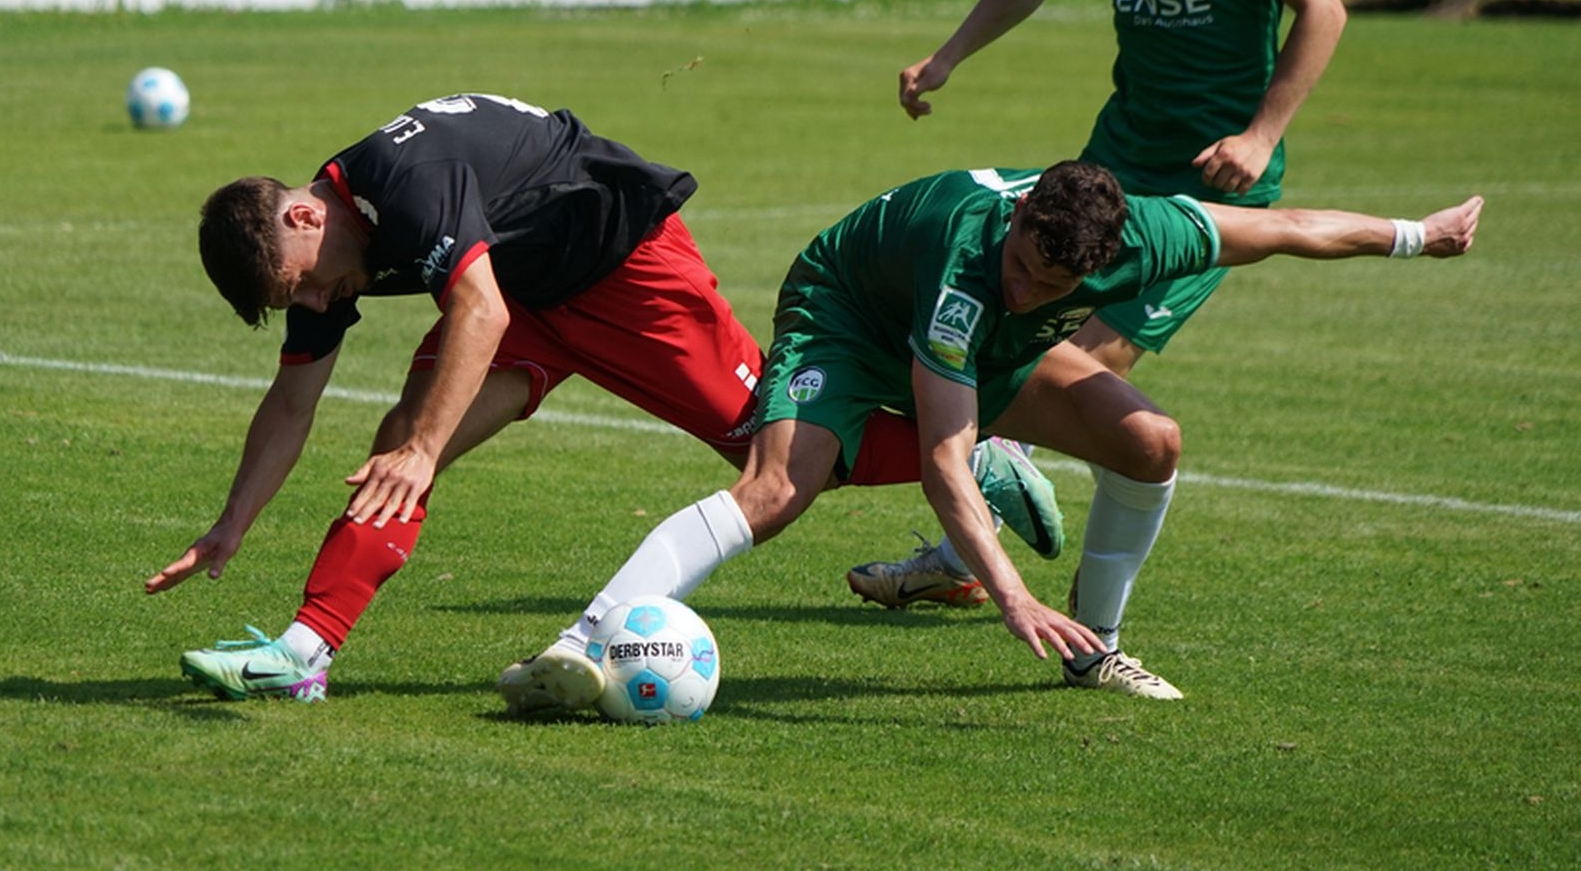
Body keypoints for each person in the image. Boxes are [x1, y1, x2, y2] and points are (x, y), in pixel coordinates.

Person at [146, 92, 1060, 702]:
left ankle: (974, 453)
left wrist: (426, 445)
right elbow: (292, 399)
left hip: (630, 269)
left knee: (778, 456)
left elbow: (477, 307)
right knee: (399, 445)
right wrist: (231, 524)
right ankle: (303, 655)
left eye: (301, 287)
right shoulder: (332, 247)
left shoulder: (402, 181)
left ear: (305, 215)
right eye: (296, 303)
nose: (314, 305)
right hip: (528, 299)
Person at [498, 163, 1482, 714]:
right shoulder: (971, 266)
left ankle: (1097, 651)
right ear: (1019, 219)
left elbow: (1291, 227)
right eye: (1022, 265)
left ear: (1103, 260)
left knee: (1152, 442)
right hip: (847, 314)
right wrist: (1013, 597)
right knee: (778, 490)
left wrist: (1416, 233)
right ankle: (578, 647)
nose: (1027, 286)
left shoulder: (1150, 233)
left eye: (1052, 286)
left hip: (992, 352)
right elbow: (941, 455)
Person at [851, 0, 1349, 654]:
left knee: (1075, 359)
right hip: (1114, 163)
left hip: (1210, 183)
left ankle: (989, 554)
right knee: (1024, 337)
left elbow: (1323, 7)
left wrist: (1260, 135)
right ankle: (969, 542)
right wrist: (950, 55)